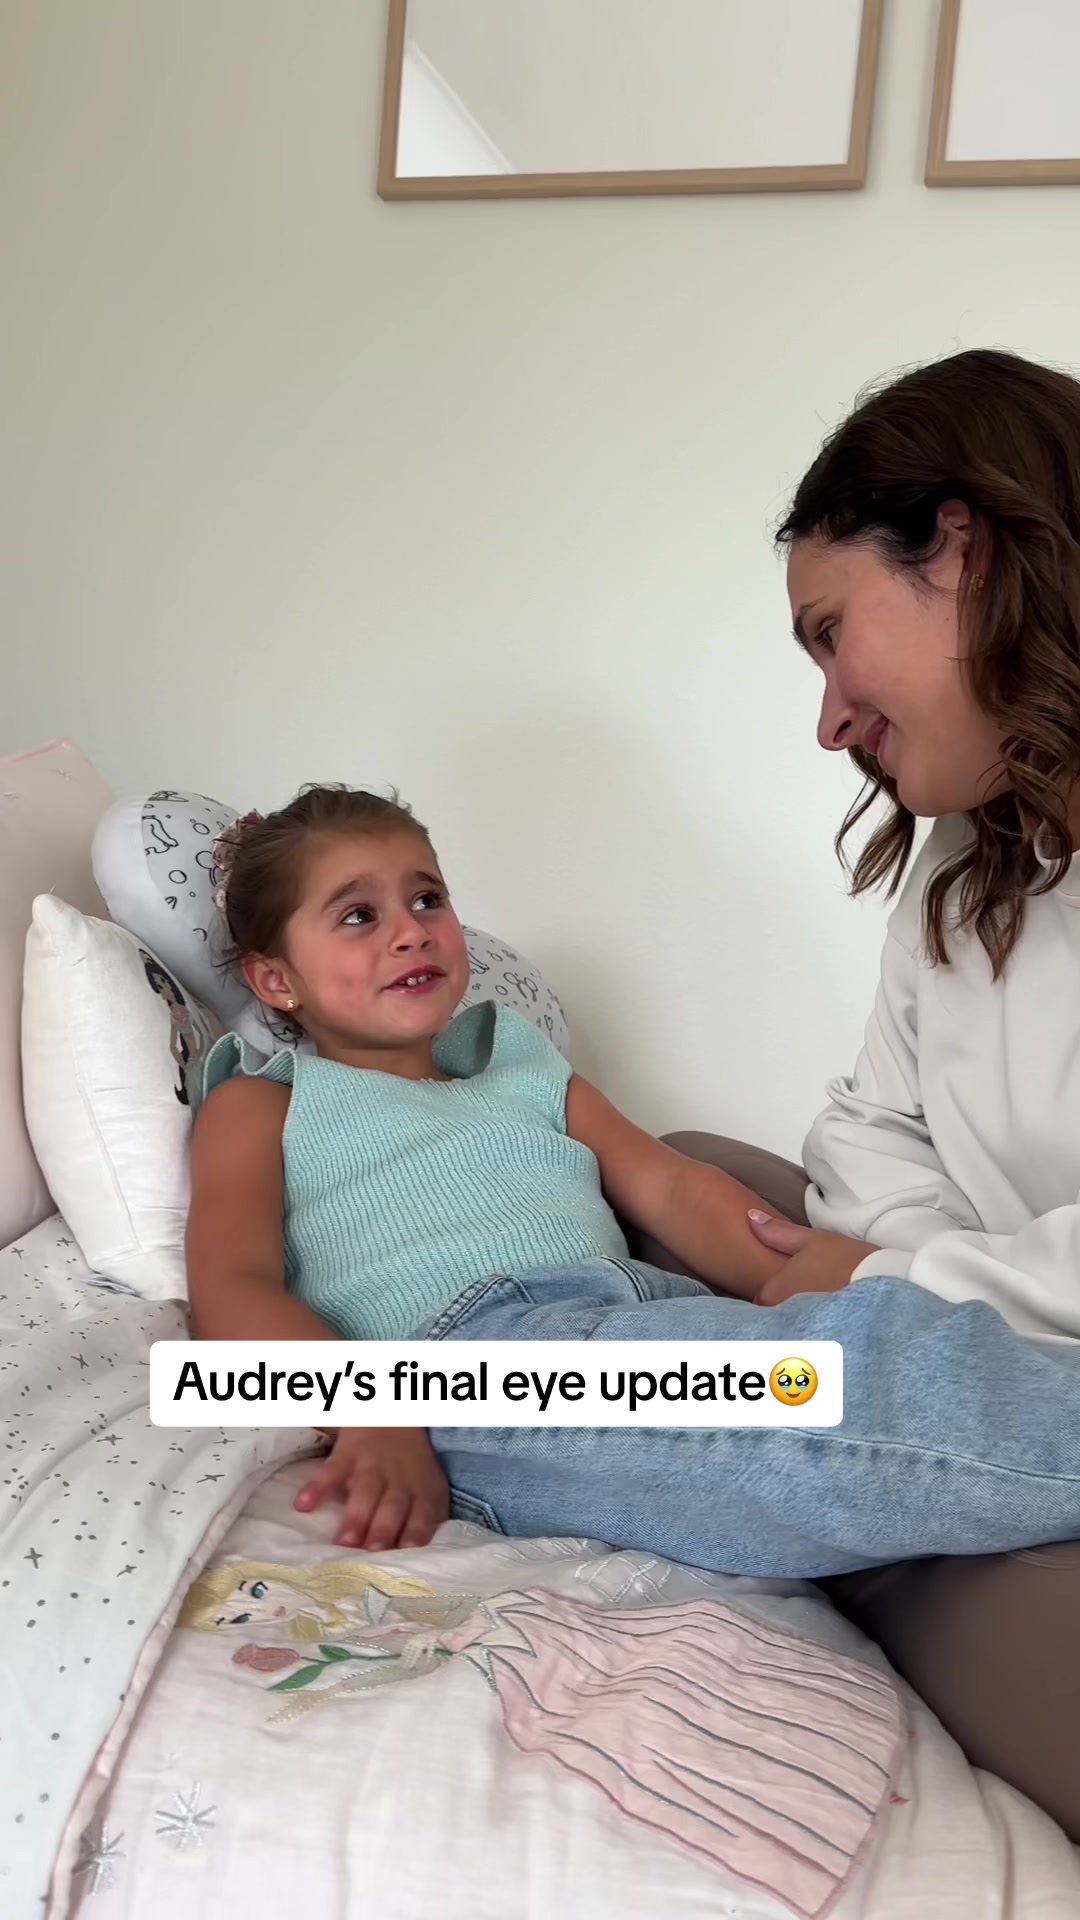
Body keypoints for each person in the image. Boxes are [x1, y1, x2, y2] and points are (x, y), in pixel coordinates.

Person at [187, 775, 1080, 1605]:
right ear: (276, 980)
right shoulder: (264, 1102)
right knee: (828, 1395)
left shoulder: (521, 1063)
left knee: (873, 1330)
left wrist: (799, 1268)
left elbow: (667, 1183)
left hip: (649, 1314)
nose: (411, 931)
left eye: (428, 899)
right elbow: (230, 1288)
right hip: (475, 1364)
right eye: (358, 916)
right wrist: (370, 1411)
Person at [657, 345, 1080, 1837]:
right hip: (991, 1336)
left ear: (962, 552)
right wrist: (903, 1291)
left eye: (834, 637)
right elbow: (865, 1127)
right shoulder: (970, 862)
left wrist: (890, 1285)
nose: (830, 719)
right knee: (690, 1170)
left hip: (1020, 1364)